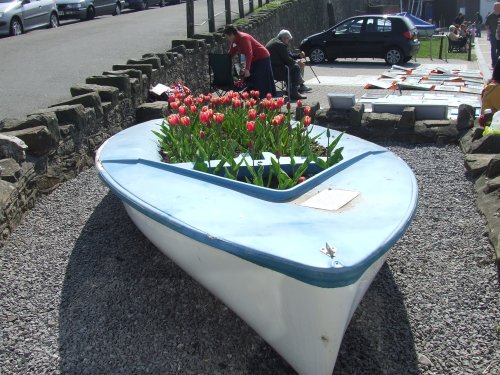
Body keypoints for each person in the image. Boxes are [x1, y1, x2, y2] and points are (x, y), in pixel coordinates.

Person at [222, 25, 276, 99]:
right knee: (251, 79)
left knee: (259, 79)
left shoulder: (243, 38)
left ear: (231, 34)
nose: (227, 39)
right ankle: (252, 96)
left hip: (262, 57)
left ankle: (262, 97)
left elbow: (249, 53)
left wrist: (247, 69)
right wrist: (223, 63)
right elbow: (231, 53)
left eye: (227, 37)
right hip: (254, 59)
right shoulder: (235, 40)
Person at [265, 29, 312, 100]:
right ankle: (295, 91)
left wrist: (299, 56)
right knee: (296, 67)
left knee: (297, 65)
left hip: (272, 68)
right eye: (288, 40)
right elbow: (287, 59)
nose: (288, 42)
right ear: (284, 38)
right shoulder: (280, 45)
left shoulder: (275, 41)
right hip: (276, 71)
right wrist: (296, 62)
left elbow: (289, 55)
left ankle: (295, 88)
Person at [485, 2, 500, 68]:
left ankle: (497, 61)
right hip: (493, 35)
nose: (497, 8)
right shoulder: (490, 16)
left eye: (499, 7)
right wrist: (488, 32)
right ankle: (494, 63)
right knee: (493, 48)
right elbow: (486, 25)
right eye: (496, 7)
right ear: (494, 7)